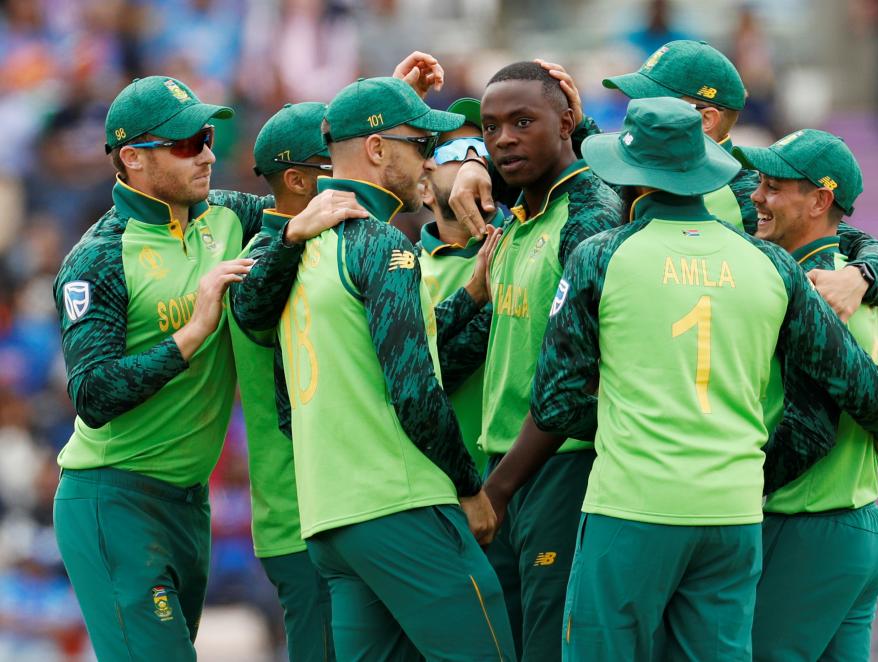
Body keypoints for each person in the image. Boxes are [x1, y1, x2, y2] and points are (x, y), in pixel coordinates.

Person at [483, 97, 878, 661]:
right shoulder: (770, 264)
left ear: (628, 178)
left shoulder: (601, 255)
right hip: (730, 515)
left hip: (635, 506)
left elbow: (556, 403)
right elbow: (859, 386)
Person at [50, 75, 345, 660]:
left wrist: (382, 115)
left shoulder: (229, 217)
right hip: (115, 499)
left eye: (207, 136)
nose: (209, 153)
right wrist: (191, 334)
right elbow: (92, 393)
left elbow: (311, 189)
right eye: (186, 144)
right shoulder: (99, 257)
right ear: (131, 158)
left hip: (189, 504)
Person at [239, 76, 516, 661]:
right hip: (401, 506)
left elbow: (275, 360)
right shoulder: (377, 243)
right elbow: (415, 390)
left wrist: (468, 298)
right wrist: (470, 488)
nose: (429, 160)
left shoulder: (294, 246)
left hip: (330, 518)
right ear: (376, 149)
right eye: (420, 144)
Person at [450, 41, 878, 322]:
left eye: (650, 103)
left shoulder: (751, 195)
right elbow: (523, 172)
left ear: (705, 120)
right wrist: (470, 156)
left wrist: (861, 275)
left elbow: (865, 246)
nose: (632, 113)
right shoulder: (620, 168)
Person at [440, 61, 622, 661]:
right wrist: (468, 160)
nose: (504, 140)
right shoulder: (516, 222)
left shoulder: (589, 215)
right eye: (491, 129)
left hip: (558, 467)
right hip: (501, 464)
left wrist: (498, 489)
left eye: (523, 122)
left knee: (547, 647)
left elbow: (579, 375)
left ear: (568, 121)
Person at [734, 129, 878, 660]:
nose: (758, 196)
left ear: (820, 200)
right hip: (858, 525)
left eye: (774, 186)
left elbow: (811, 427)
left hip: (805, 523)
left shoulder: (813, 289)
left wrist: (732, 490)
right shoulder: (844, 278)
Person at [232, 101, 366, 662]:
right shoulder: (262, 262)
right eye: (334, 158)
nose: (355, 169)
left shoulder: (324, 240)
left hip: (343, 511)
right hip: (301, 520)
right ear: (297, 179)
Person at [417, 97, 492, 473]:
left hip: (524, 484)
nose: (472, 163)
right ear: (424, 189)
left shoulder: (525, 246)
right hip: (442, 486)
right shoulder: (403, 269)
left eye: (481, 150)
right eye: (457, 151)